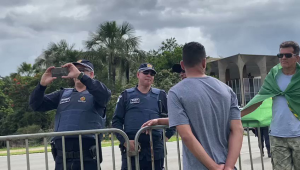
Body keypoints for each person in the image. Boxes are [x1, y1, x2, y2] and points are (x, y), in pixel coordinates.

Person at [143, 42, 244, 170]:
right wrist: (229, 166)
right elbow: (237, 130)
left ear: (182, 65)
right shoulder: (226, 90)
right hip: (227, 164)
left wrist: (214, 167)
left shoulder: (176, 92)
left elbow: (186, 135)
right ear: (204, 62)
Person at [29, 59, 111, 170]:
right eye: (75, 69)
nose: (77, 72)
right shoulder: (62, 94)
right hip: (62, 158)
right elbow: (36, 105)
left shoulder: (97, 94)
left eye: (82, 70)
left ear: (91, 74)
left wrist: (81, 76)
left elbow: (104, 95)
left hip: (88, 157)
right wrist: (41, 86)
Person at [241, 41, 300, 169]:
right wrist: (237, 115)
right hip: (277, 135)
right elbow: (259, 98)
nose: (283, 58)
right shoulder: (274, 75)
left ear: (297, 57)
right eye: (280, 55)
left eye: (288, 55)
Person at [112, 63, 175, 170]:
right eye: (145, 72)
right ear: (138, 75)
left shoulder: (161, 95)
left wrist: (166, 136)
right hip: (133, 148)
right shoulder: (126, 95)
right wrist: (125, 141)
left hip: (155, 149)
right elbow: (116, 121)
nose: (149, 75)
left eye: (152, 73)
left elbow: (174, 118)